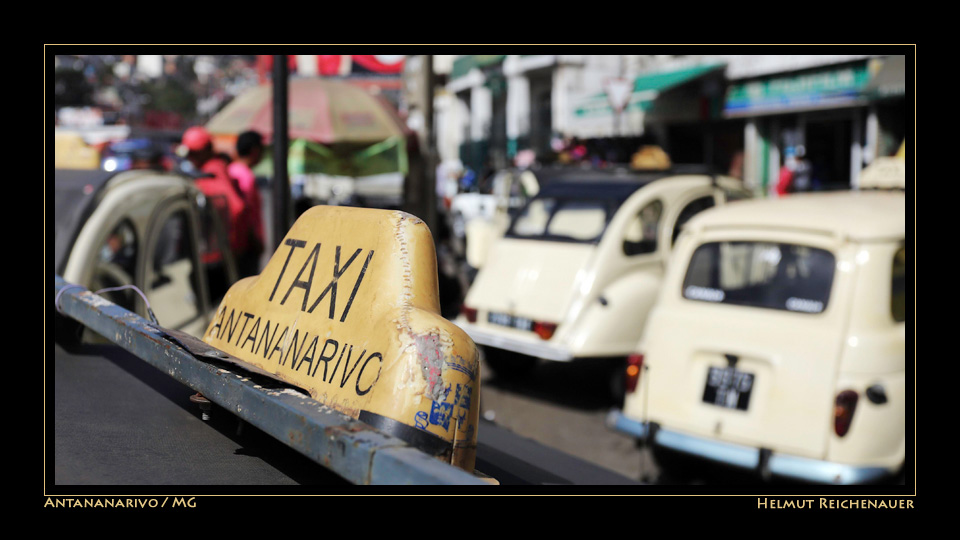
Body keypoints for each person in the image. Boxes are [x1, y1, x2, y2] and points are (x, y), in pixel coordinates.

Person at [180, 126, 246, 281]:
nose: (191, 157)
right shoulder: (211, 168)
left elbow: (236, 207)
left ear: (207, 149)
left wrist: (228, 241)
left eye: (195, 152)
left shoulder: (212, 171)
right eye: (190, 153)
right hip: (221, 253)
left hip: (220, 256)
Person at [228, 131, 267, 277]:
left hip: (236, 244)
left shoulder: (231, 170)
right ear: (254, 150)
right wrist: (255, 240)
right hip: (246, 246)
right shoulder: (246, 176)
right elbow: (244, 211)